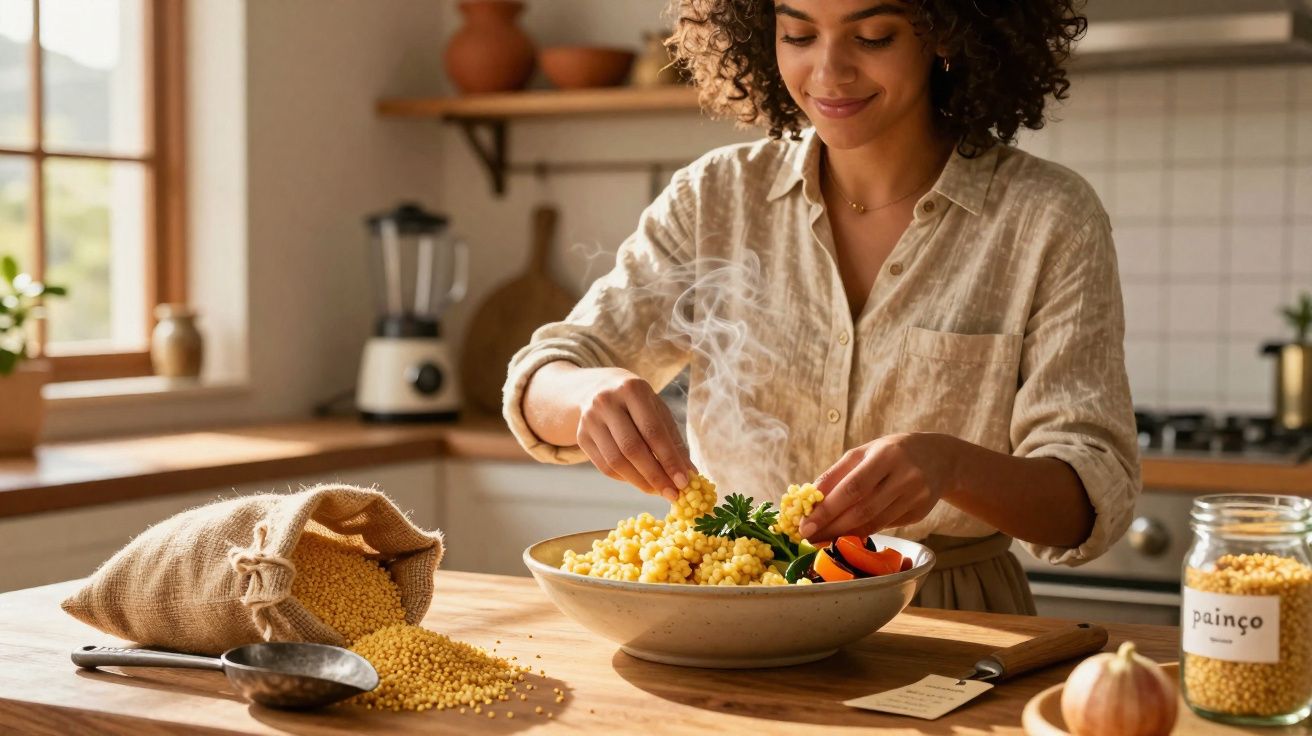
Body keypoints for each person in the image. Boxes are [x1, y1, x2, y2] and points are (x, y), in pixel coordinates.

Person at [501, 0, 1140, 614]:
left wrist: (951, 466)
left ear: (946, 32)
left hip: (946, 621)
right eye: (799, 36)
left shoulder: (1049, 217)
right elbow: (545, 376)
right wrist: (587, 394)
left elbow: (1086, 501)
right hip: (736, 611)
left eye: (873, 37)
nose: (829, 72)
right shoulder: (714, 197)